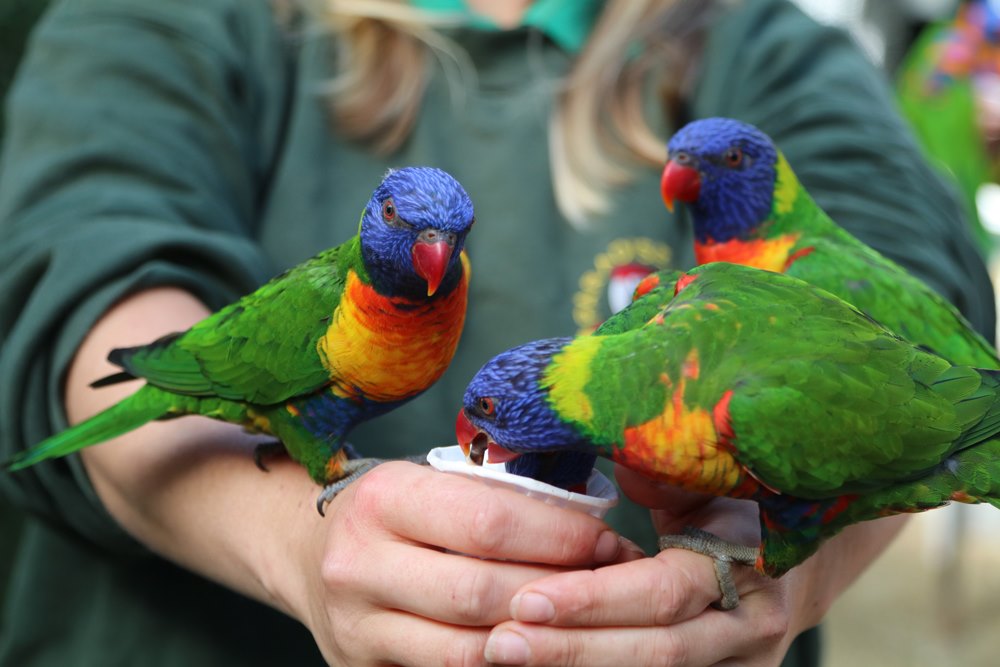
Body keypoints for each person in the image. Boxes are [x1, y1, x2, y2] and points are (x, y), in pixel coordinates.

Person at [0, 0, 993, 665]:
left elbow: (911, 282)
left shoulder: (743, 32)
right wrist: (296, 543)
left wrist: (769, 569)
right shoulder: (178, 20)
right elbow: (78, 268)